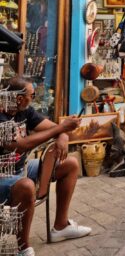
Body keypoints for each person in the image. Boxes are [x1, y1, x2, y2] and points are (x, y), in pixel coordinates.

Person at [0, 77, 92, 256]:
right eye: (31, 95)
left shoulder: (24, 111)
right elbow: (21, 144)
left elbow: (55, 128)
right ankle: (23, 248)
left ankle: (60, 226)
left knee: (70, 164)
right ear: (18, 98)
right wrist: (61, 130)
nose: (33, 98)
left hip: (22, 169)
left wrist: (63, 135)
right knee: (26, 185)